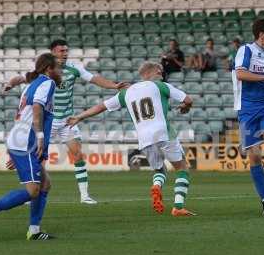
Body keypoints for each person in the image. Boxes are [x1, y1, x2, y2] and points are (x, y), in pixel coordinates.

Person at [3, 39, 129, 205]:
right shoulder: (43, 70)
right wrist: (10, 84)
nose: (65, 54)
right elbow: (22, 78)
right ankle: (31, 193)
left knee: (77, 153)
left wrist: (114, 86)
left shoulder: (74, 68)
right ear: (53, 52)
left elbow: (94, 78)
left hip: (66, 120)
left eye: (66, 51)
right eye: (61, 51)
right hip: (48, 121)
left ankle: (84, 195)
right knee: (37, 158)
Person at [67, 62, 195, 216]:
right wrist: (185, 107)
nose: (161, 72)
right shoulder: (161, 86)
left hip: (144, 138)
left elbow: (101, 106)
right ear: (149, 73)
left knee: (160, 169)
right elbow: (188, 100)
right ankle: (178, 206)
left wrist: (80, 117)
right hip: (164, 133)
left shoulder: (127, 92)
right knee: (182, 168)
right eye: (159, 70)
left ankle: (156, 186)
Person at [0, 53, 61, 240]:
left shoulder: (33, 82)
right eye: (58, 67)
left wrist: (10, 84)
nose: (60, 71)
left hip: (21, 141)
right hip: (26, 142)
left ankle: (34, 230)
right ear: (49, 69)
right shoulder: (47, 83)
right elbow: (37, 108)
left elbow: (25, 102)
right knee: (33, 190)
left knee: (45, 184)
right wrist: (39, 137)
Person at [232, 18, 264, 217]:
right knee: (254, 155)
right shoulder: (246, 50)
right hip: (246, 109)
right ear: (262, 34)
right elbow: (241, 74)